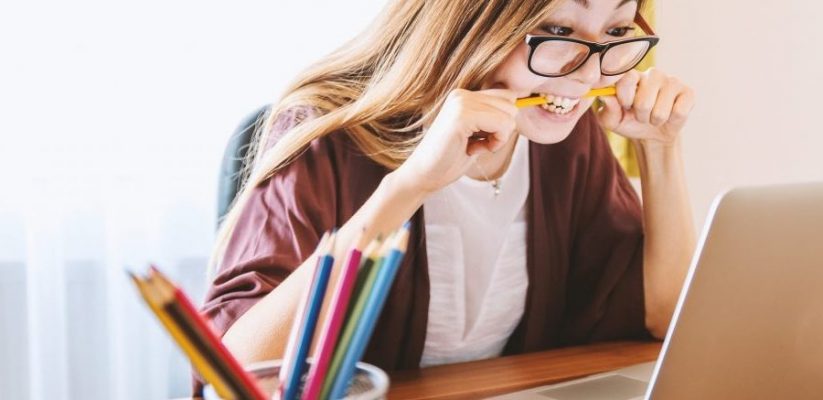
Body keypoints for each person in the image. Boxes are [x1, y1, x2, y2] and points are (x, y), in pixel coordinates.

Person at [201, 0, 696, 388]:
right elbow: (235, 372)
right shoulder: (324, 133)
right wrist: (410, 185)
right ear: (470, 21)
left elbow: (663, 317)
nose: (590, 75)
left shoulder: (565, 139)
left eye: (616, 31)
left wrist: (660, 149)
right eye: (558, 31)